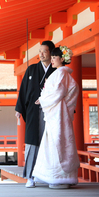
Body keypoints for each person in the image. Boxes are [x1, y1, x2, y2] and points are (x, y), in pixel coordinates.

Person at [32, 45, 80, 189]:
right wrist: (44, 97)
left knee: (57, 142)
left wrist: (43, 99)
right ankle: (59, 177)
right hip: (58, 113)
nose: (52, 60)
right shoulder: (62, 73)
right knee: (59, 142)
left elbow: (58, 93)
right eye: (51, 57)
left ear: (61, 59)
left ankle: (59, 178)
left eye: (54, 57)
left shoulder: (61, 73)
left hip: (58, 114)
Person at [15, 40, 56, 188]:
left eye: (44, 51)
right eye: (40, 51)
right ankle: (30, 176)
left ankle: (51, 176)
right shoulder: (31, 70)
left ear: (51, 52)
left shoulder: (57, 70)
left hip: (51, 112)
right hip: (33, 111)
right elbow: (23, 90)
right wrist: (19, 108)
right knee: (32, 143)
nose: (41, 54)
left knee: (51, 143)